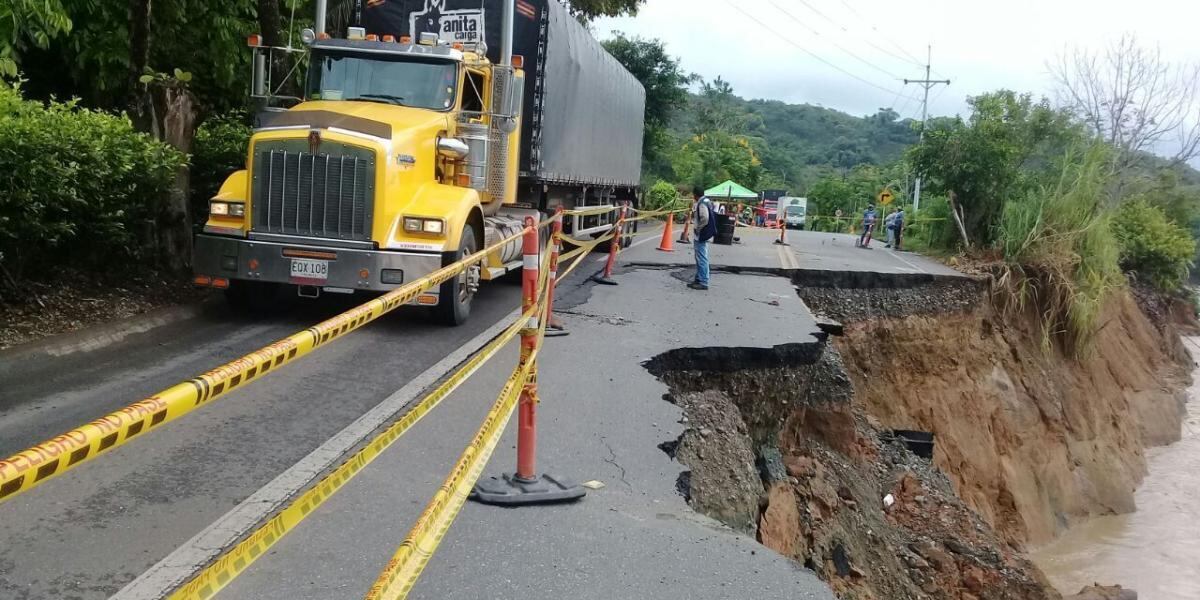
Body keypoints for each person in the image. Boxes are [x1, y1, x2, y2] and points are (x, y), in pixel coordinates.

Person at [690, 186, 716, 290]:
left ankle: (703, 281)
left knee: (701, 257)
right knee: (701, 256)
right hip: (705, 233)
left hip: (701, 234)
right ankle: (699, 278)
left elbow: (705, 218)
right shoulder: (707, 201)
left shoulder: (702, 203)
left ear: (696, 195)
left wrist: (698, 228)